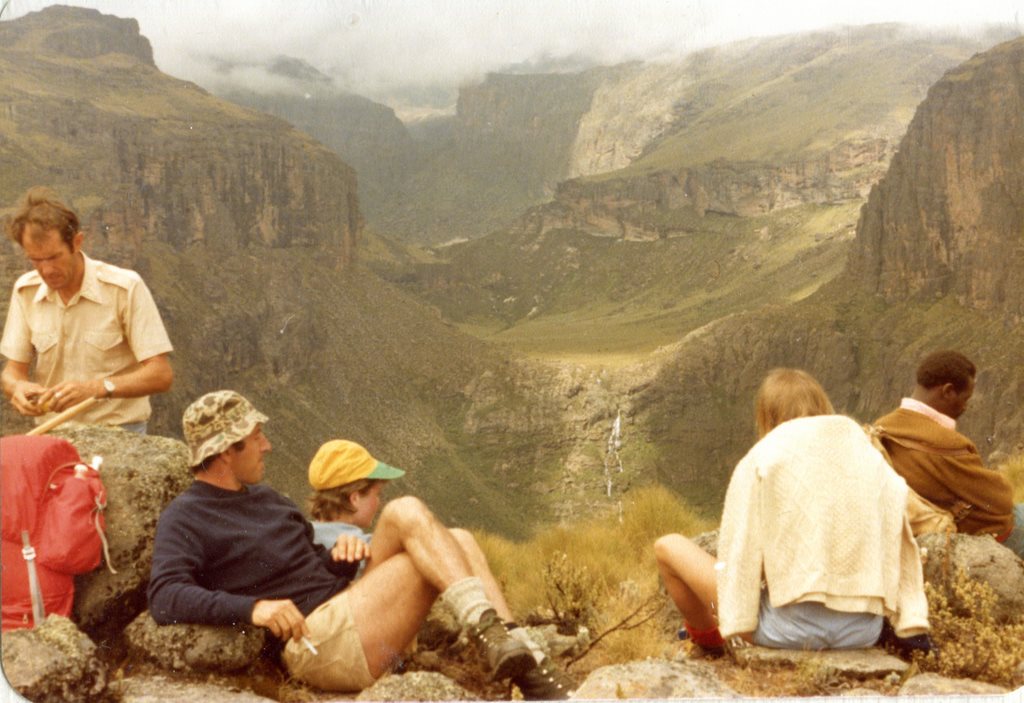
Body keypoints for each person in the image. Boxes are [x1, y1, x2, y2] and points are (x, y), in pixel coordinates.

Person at [148, 392, 571, 698]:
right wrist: (254, 609)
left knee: (458, 538)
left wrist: (335, 559)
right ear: (225, 451)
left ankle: (523, 660)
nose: (267, 445)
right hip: (317, 645)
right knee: (404, 510)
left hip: (350, 611)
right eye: (256, 436)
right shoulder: (186, 516)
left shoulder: (267, 498)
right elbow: (164, 595)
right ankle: (511, 651)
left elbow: (308, 565)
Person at [654, 369, 930, 656]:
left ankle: (709, 644)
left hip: (784, 632)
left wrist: (733, 619)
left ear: (767, 415)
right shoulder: (867, 454)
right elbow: (899, 536)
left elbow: (741, 556)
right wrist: (910, 621)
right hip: (863, 631)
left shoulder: (762, 458)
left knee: (667, 546)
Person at [1, 187, 173, 432]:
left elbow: (161, 374)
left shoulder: (124, 288)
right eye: (36, 260)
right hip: (52, 434)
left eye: (54, 257)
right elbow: (12, 371)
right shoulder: (25, 291)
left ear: (77, 242)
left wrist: (97, 388)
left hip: (119, 431)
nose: (47, 270)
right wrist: (17, 387)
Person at [873, 350, 1023, 558]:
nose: (966, 407)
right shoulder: (948, 446)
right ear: (948, 391)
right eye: (965, 398)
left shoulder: (881, 427)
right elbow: (1001, 499)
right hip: (978, 535)